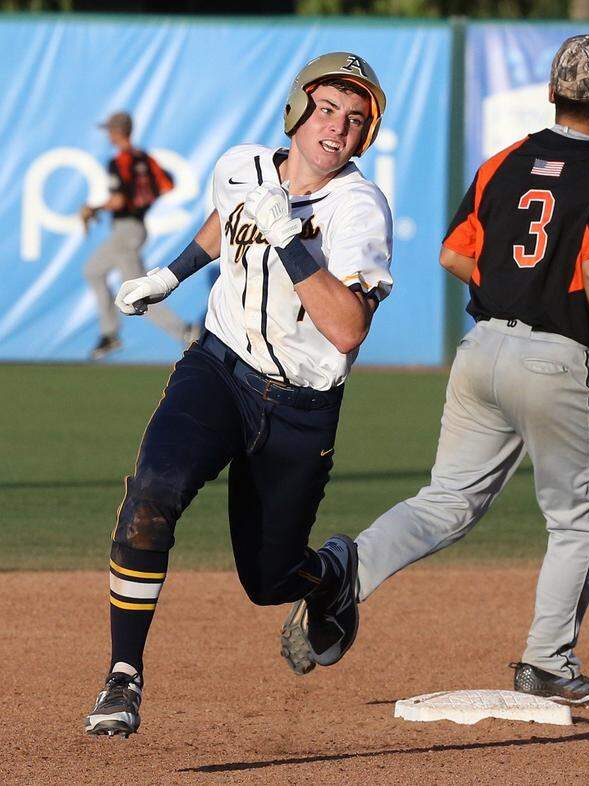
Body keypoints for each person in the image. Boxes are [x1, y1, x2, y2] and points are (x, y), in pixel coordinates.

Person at [280, 34, 589, 705]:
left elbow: (454, 256)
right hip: (554, 359)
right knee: (576, 520)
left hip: (482, 352)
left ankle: (341, 574)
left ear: (551, 92)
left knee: (445, 500)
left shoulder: (503, 163)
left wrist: (512, 286)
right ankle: (547, 662)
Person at [84, 52, 393, 737]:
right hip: (218, 370)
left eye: (354, 117)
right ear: (296, 110)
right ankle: (122, 679)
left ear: (365, 135)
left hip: (300, 408)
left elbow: (346, 330)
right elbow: (229, 216)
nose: (336, 127)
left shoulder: (358, 209)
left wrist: (290, 240)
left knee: (269, 578)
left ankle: (330, 576)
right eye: (326, 109)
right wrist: (169, 275)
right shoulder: (243, 164)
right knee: (152, 494)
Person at [79, 111, 199, 359]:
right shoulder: (144, 159)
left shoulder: (120, 161)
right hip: (135, 228)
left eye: (110, 131)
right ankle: (110, 333)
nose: (109, 136)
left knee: (138, 292)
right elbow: (167, 184)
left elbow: (119, 199)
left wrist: (94, 208)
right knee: (93, 271)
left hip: (126, 230)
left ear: (115, 133)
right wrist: (142, 199)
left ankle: (186, 332)